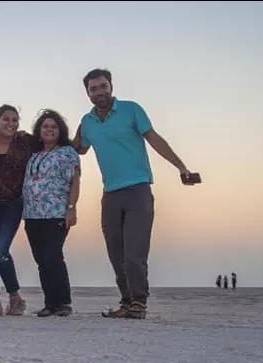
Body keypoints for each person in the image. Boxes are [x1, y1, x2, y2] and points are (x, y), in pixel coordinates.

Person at [72, 68, 199, 320]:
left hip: (138, 190)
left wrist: (181, 167)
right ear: (87, 93)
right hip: (110, 194)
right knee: (115, 253)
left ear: (111, 87)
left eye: (103, 86)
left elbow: (155, 140)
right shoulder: (87, 122)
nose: (99, 92)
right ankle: (127, 301)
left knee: (135, 252)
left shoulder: (131, 110)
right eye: (93, 88)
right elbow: (77, 148)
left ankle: (139, 302)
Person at [22, 109, 80, 317]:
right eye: (45, 126)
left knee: (52, 256)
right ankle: (50, 303)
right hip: (31, 214)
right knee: (41, 260)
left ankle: (63, 302)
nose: (49, 130)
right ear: (39, 130)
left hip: (55, 212)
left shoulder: (67, 152)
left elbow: (75, 181)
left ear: (60, 131)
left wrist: (71, 208)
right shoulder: (35, 154)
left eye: (54, 126)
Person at [0, 104, 33, 316]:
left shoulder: (26, 142)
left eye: (15, 120)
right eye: (6, 119)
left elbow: (52, 138)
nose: (11, 123)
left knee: (0, 249)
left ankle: (15, 297)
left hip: (13, 204)